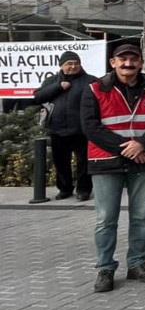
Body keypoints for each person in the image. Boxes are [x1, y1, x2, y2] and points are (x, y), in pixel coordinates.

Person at [81, 43, 145, 293]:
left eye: (133, 59)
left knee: (141, 216)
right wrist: (128, 148)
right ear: (113, 62)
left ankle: (137, 263)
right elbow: (90, 126)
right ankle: (105, 267)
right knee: (105, 219)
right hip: (106, 162)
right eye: (122, 59)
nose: (128, 63)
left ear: (141, 62)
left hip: (144, 159)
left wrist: (142, 144)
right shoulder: (94, 89)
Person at [33, 51, 95, 200]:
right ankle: (65, 189)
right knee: (61, 162)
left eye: (76, 63)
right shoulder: (51, 81)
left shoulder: (91, 81)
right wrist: (58, 86)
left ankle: (84, 190)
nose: (73, 66)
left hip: (81, 130)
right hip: (57, 129)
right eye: (69, 63)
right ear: (61, 65)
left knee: (84, 163)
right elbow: (38, 97)